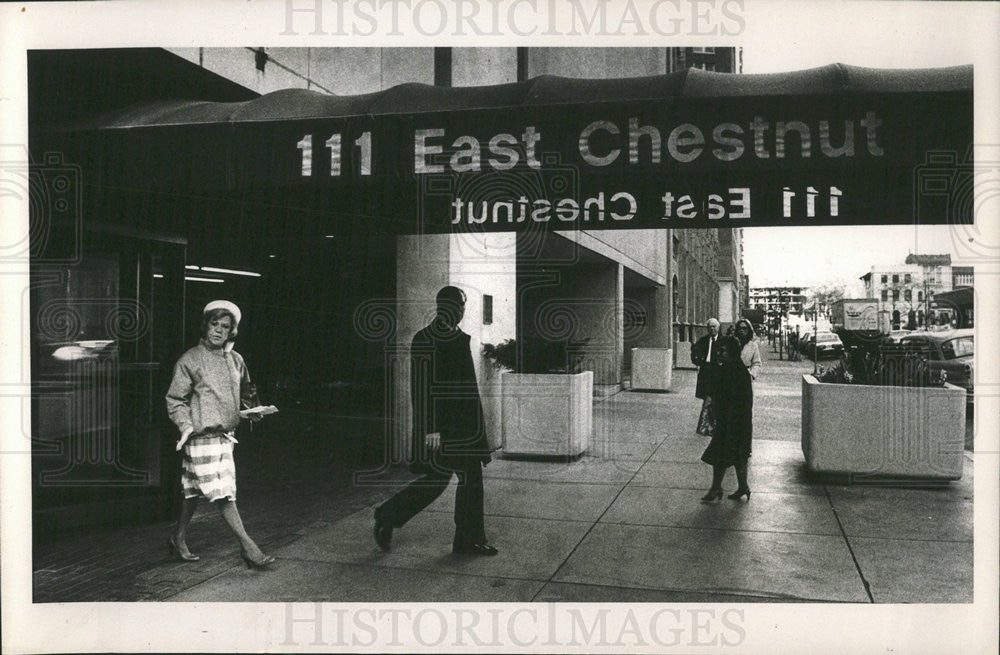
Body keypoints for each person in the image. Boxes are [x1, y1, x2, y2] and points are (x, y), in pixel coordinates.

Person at [373, 286, 497, 556]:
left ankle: (466, 539)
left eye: (463, 306)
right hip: (446, 428)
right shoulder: (426, 338)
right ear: (445, 307)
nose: (462, 311)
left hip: (465, 426)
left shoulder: (455, 336)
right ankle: (389, 516)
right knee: (445, 480)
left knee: (460, 480)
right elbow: (422, 388)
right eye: (459, 306)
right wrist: (431, 429)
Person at [165, 300, 275, 569]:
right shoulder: (190, 359)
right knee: (223, 493)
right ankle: (249, 548)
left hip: (226, 437)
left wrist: (253, 410)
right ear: (205, 325)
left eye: (225, 327)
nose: (218, 330)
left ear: (231, 332)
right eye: (214, 324)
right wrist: (185, 425)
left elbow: (247, 392)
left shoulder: (236, 360)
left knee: (194, 491)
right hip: (199, 438)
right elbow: (175, 399)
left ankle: (177, 537)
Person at [699, 318, 762, 502]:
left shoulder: (739, 373)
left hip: (735, 422)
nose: (719, 355)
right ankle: (723, 487)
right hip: (728, 422)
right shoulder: (726, 369)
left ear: (731, 353)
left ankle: (735, 487)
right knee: (727, 454)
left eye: (722, 352)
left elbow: (741, 401)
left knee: (733, 454)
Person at [691, 318, 721, 436]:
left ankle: (706, 425)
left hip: (718, 372)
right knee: (708, 398)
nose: (712, 329)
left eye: (714, 326)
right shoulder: (703, 340)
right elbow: (694, 352)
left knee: (713, 399)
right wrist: (698, 360)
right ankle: (707, 426)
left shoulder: (723, 341)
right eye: (710, 327)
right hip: (706, 372)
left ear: (718, 328)